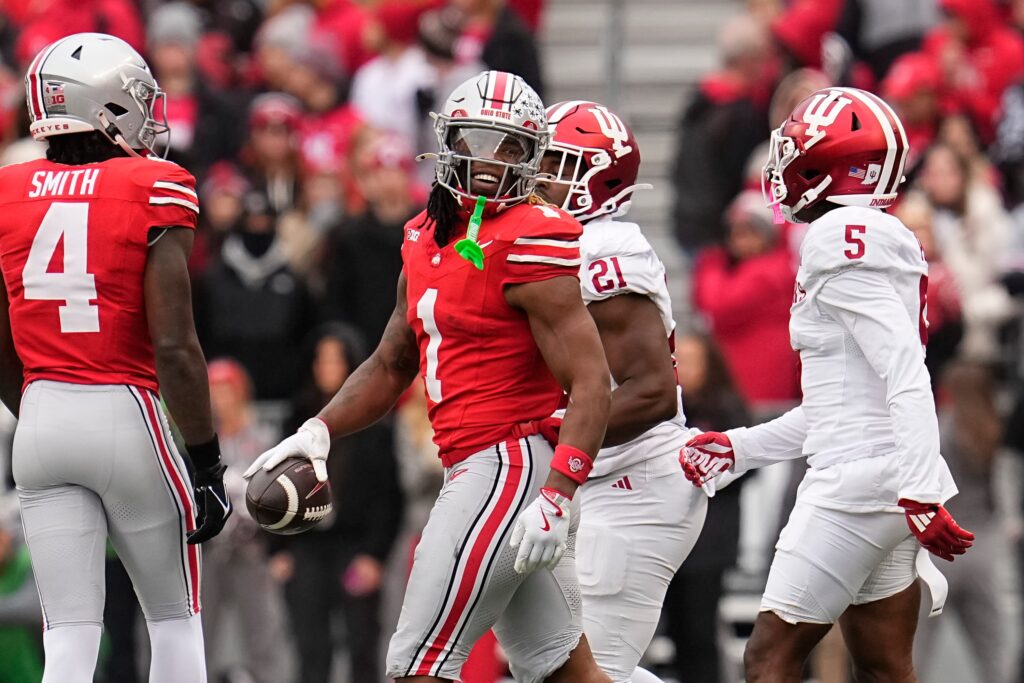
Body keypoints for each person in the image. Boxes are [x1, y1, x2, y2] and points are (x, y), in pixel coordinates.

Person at [247, 70, 613, 683]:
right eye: (476, 141)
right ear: (448, 140)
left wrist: (557, 493)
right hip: (478, 465)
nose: (491, 163)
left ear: (533, 157)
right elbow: (393, 361)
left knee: (417, 667)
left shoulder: (533, 237)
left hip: (507, 466)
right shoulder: (423, 235)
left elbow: (593, 383)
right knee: (563, 672)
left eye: (510, 148)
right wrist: (320, 429)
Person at [680, 87, 974, 683]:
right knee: (886, 667)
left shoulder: (837, 236)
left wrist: (922, 487)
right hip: (883, 479)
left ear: (835, 167)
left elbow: (903, 372)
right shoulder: (877, 235)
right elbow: (839, 407)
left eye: (798, 155)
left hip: (854, 486)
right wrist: (741, 448)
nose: (783, 169)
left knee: (767, 660)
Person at [0, 34, 230, 683]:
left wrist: (42, 404)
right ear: (105, 107)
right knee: (174, 620)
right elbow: (175, 346)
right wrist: (206, 458)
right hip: (123, 408)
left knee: (68, 640)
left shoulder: (8, 188)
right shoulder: (153, 184)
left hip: (39, 420)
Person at [535, 100, 707, 683]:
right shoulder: (560, 245)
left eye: (554, 163)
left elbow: (653, 393)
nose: (538, 176)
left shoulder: (603, 251)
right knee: (553, 666)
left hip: (633, 484)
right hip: (597, 482)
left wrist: (551, 434)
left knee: (589, 670)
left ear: (596, 181)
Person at [271, 323, 404, 683]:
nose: (327, 367)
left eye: (336, 359)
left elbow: (388, 495)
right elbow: (274, 485)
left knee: (362, 641)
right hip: (306, 548)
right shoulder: (296, 419)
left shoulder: (375, 425)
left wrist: (375, 555)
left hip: (354, 547)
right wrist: (278, 548)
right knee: (310, 646)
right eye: (321, 359)